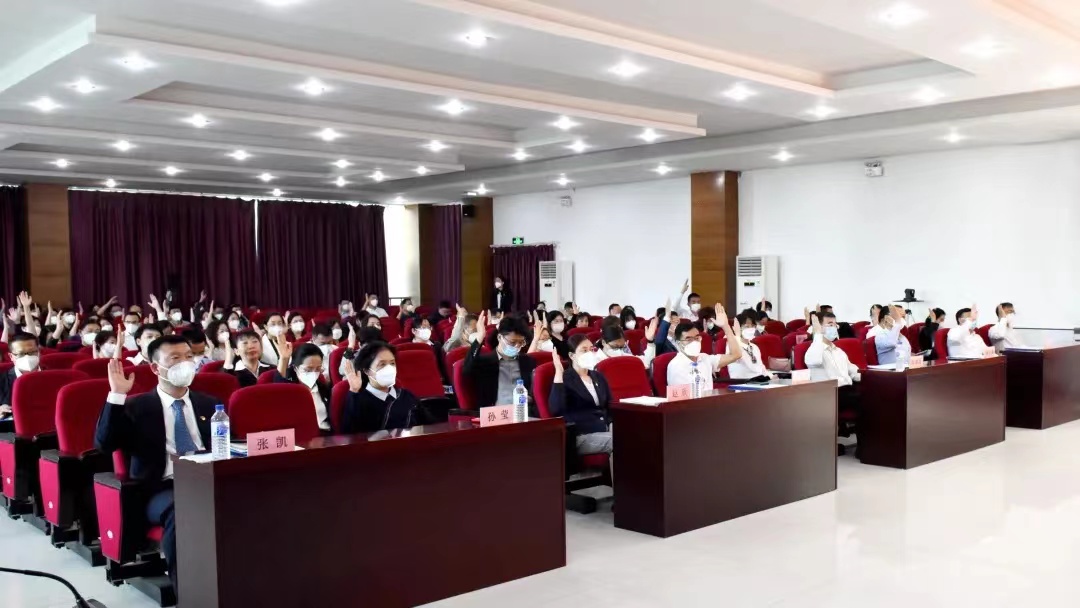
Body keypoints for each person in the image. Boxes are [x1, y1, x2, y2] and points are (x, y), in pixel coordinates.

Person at [94, 335, 216, 596]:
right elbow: (104, 443)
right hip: (160, 489)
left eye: (189, 357)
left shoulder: (208, 404)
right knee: (182, 508)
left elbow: (227, 444)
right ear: (155, 368)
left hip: (208, 480)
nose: (185, 363)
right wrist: (117, 394)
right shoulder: (137, 407)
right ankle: (190, 595)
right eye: (175, 358)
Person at [550, 336, 613, 459]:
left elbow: (610, 405)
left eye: (591, 349)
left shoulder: (598, 376)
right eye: (584, 350)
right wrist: (558, 372)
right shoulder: (565, 378)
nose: (589, 353)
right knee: (619, 440)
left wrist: (612, 424)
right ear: (572, 355)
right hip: (580, 435)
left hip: (604, 430)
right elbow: (556, 409)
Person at [340, 342, 422, 434]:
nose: (389, 369)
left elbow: (427, 426)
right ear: (367, 371)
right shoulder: (359, 401)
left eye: (392, 363)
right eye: (382, 364)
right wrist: (354, 391)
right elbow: (350, 435)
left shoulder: (407, 395)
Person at [463, 314, 538, 410]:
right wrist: (480, 338)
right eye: (512, 342)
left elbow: (534, 393)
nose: (517, 346)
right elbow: (467, 371)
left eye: (521, 342)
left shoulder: (528, 361)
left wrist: (530, 399)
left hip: (522, 412)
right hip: (494, 413)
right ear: (499, 337)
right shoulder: (484, 362)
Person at [667, 304, 742, 387]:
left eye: (696, 338)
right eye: (689, 339)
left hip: (709, 395)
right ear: (678, 343)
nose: (694, 342)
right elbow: (681, 394)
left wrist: (726, 327)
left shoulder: (704, 358)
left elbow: (736, 355)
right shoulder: (676, 365)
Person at [272, 337, 332, 433]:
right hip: (301, 436)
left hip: (325, 434)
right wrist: (284, 359)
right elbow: (278, 390)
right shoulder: (290, 389)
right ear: (296, 368)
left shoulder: (323, 389)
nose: (313, 373)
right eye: (308, 370)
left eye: (318, 369)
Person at [805, 312, 862, 411]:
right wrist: (817, 334)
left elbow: (853, 370)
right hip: (830, 395)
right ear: (819, 328)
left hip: (848, 390)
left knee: (876, 391)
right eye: (830, 325)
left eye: (835, 325)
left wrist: (870, 377)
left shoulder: (839, 351)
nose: (834, 328)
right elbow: (813, 361)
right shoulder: (814, 350)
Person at [1, 332, 43, 426]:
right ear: (11, 356)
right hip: (13, 430)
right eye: (21, 354)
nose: (27, 357)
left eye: (32, 352)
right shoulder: (1, 381)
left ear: (38, 352)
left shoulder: (55, 377)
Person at [727, 311, 770, 380]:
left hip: (758, 381)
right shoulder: (732, 345)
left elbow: (761, 367)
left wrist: (770, 376)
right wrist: (737, 335)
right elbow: (737, 356)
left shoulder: (754, 347)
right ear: (738, 328)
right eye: (747, 326)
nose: (750, 329)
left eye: (753, 326)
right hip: (742, 382)